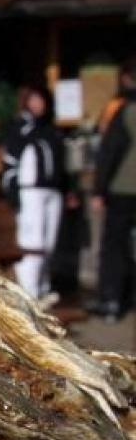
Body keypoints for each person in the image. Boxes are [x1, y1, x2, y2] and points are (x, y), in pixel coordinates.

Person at [2, 86, 68, 301]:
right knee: (33, 244)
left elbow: (61, 164)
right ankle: (29, 294)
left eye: (42, 100)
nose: (39, 104)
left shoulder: (51, 130)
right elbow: (10, 162)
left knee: (49, 244)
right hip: (31, 192)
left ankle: (43, 287)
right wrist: (13, 193)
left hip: (53, 191)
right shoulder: (20, 128)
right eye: (34, 99)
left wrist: (68, 189)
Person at [90, 57, 136, 321]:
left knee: (114, 246)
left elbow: (110, 152)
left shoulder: (121, 110)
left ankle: (111, 300)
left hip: (122, 189)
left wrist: (99, 190)